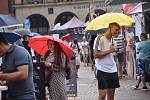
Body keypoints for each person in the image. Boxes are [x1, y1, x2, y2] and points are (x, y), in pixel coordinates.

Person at [0, 34, 35, 100]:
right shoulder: (5, 55)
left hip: (24, 96)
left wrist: (1, 76)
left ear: (1, 44)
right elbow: (8, 73)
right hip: (12, 95)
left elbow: (23, 74)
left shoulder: (19, 52)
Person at [94, 22, 120, 100]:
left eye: (118, 30)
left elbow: (113, 58)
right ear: (110, 28)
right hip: (102, 70)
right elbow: (96, 55)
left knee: (111, 94)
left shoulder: (113, 42)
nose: (117, 32)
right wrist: (109, 51)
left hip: (113, 70)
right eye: (116, 29)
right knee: (102, 95)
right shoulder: (99, 38)